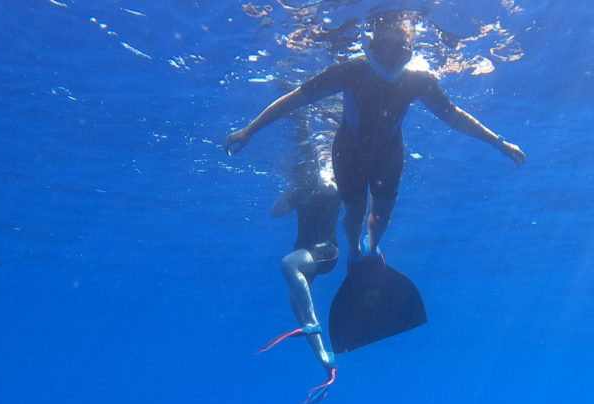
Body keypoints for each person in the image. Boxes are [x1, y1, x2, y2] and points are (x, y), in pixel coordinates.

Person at [224, 8, 526, 262]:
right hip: (349, 154)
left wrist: (498, 142)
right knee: (355, 214)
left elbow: (454, 116)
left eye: (400, 50)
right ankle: (355, 251)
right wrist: (250, 129)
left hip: (388, 156)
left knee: (382, 216)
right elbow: (296, 99)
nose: (391, 58)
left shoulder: (418, 81)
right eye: (384, 48)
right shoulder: (349, 71)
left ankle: (372, 248)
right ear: (371, 43)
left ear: (410, 50)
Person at [254, 99, 341, 404]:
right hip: (305, 252)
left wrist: (324, 171)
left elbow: (331, 187)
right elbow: (275, 212)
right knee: (295, 302)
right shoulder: (300, 190)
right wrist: (292, 187)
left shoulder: (330, 184)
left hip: (325, 252)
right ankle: (325, 359)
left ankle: (313, 322)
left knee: (287, 265)